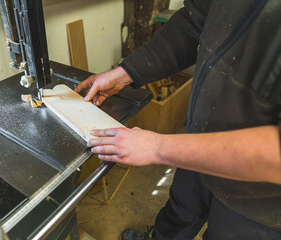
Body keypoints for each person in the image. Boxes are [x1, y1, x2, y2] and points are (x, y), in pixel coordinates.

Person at [75, 0, 281, 239]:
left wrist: (158, 148)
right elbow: (196, 21)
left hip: (260, 198)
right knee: (179, 212)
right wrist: (127, 72)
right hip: (198, 142)